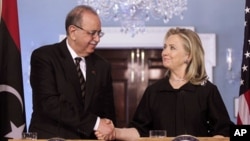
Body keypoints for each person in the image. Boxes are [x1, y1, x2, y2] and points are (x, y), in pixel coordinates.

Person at [95, 27, 233, 141]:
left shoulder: (207, 90)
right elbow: (139, 131)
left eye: (172, 48)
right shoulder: (153, 91)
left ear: (188, 56)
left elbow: (224, 130)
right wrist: (113, 132)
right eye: (165, 47)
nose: (164, 52)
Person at [28, 5, 116, 139]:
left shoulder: (102, 66)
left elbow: (108, 112)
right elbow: (49, 104)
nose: (97, 39)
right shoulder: (44, 57)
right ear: (73, 31)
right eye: (92, 33)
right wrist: (95, 123)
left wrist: (107, 128)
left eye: (99, 33)